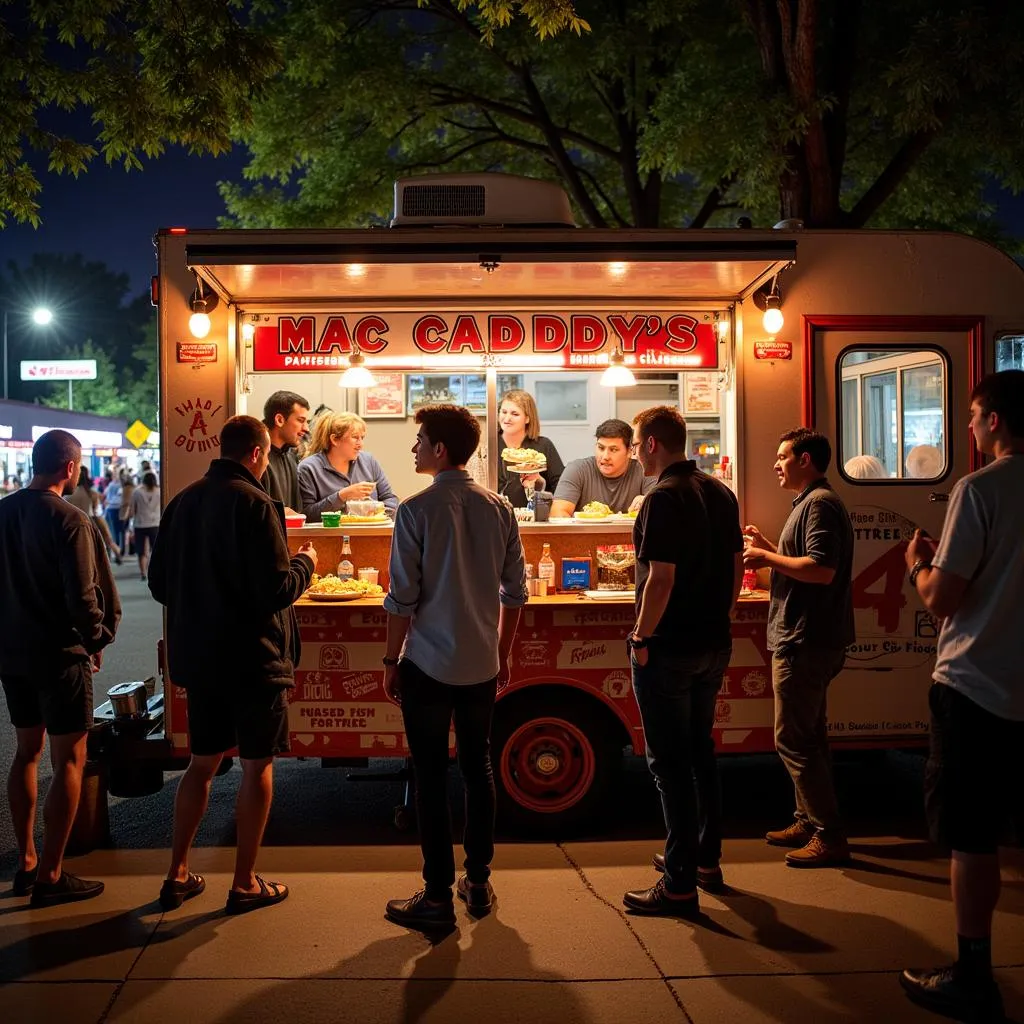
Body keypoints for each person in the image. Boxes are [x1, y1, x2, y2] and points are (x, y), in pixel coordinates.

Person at [148, 415, 317, 915]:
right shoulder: (258, 504)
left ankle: (177, 873)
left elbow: (159, 585)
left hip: (201, 659)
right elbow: (276, 590)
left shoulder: (182, 502)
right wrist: (305, 561)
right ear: (258, 453)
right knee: (256, 766)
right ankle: (243, 882)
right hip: (254, 660)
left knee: (202, 765)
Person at [899, 371, 1024, 1022]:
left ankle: (974, 972)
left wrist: (918, 561)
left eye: (974, 416)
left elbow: (942, 598)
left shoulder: (981, 490)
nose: (969, 428)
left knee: (972, 839)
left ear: (995, 420)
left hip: (976, 685)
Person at [382, 405, 527, 931]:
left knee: (429, 774)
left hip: (426, 662)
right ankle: (480, 881)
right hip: (481, 663)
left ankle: (438, 895)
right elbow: (516, 594)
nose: (414, 448)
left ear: (440, 449)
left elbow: (401, 598)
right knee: (478, 768)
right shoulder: (500, 508)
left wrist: (390, 659)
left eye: (420, 440)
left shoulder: (416, 511)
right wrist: (503, 652)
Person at [620, 407, 743, 918]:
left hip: (670, 646)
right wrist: (725, 613)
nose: (631, 452)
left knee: (668, 765)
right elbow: (737, 564)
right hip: (714, 641)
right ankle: (703, 860)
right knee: (700, 753)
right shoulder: (719, 491)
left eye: (634, 443)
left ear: (650, 445)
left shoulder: (662, 498)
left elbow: (660, 578)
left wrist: (640, 635)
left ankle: (678, 885)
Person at [0, 429, 120, 905]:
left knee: (26, 751)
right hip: (59, 656)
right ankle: (51, 873)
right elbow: (82, 596)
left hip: (13, 655)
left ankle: (26, 862)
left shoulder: (2, 513)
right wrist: (96, 640)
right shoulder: (71, 520)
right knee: (69, 759)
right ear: (70, 468)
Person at [743, 427, 854, 868]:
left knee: (792, 738)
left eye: (783, 456)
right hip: (809, 635)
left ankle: (828, 834)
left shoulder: (821, 504)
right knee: (810, 735)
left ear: (805, 460)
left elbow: (821, 570)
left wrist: (766, 559)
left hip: (807, 637)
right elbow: (804, 564)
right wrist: (769, 548)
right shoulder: (809, 504)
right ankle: (807, 820)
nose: (776, 464)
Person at [297, 411, 398, 522]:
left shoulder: (369, 461)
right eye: (355, 437)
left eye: (362, 438)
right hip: (329, 537)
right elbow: (307, 515)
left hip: (371, 535)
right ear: (334, 439)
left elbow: (389, 498)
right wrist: (341, 496)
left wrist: (378, 513)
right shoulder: (308, 468)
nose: (360, 444)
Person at [551, 419, 655, 517]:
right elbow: (557, 513)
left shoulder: (645, 470)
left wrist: (647, 501)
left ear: (629, 451)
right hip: (586, 535)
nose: (605, 457)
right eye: (601, 448)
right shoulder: (577, 469)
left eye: (613, 450)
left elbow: (662, 511)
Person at [495, 389, 564, 506]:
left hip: (532, 517)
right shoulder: (489, 445)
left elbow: (562, 487)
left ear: (527, 418)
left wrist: (539, 484)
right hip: (494, 516)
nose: (507, 419)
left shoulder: (544, 445)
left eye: (515, 414)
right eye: (504, 412)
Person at [261, 389, 310, 513]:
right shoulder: (256, 457)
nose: (306, 429)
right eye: (300, 420)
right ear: (279, 420)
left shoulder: (291, 456)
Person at [67, 465, 122, 564]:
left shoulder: (69, 494)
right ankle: (116, 554)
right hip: (92, 521)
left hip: (74, 522)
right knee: (106, 540)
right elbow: (96, 510)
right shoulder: (92, 492)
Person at [131, 471, 161, 581]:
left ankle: (143, 573)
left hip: (140, 524)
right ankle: (156, 571)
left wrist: (131, 526)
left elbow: (133, 510)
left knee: (141, 550)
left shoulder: (137, 492)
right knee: (156, 549)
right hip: (155, 523)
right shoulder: (159, 491)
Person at [103, 469, 125, 558]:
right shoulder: (118, 485)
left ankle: (118, 551)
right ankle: (118, 550)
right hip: (116, 508)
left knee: (115, 531)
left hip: (113, 508)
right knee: (118, 531)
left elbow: (106, 496)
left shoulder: (112, 485)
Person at [119, 471, 136, 556]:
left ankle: (123, 550)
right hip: (132, 512)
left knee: (123, 532)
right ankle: (132, 550)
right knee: (130, 531)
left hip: (125, 512)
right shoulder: (134, 488)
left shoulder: (125, 489)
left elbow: (125, 501)